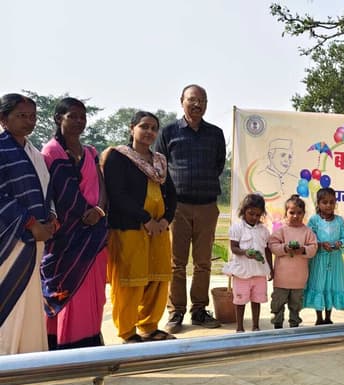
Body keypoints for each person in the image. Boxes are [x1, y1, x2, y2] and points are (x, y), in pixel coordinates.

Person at [155, 84, 226, 333]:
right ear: (181, 101)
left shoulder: (215, 134)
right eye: (192, 99)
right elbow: (160, 166)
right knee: (176, 263)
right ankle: (176, 311)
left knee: (203, 262)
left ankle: (199, 310)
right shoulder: (168, 132)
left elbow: (218, 165)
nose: (197, 104)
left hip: (207, 205)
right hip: (178, 207)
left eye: (202, 100)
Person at [103, 111, 177, 343]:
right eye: (144, 126)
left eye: (154, 128)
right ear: (132, 128)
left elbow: (171, 194)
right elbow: (117, 194)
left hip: (158, 231)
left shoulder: (159, 162)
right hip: (130, 228)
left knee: (158, 280)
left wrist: (165, 220)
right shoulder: (118, 157)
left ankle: (149, 327)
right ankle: (127, 332)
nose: (149, 132)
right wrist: (146, 219)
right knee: (130, 282)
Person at [41, 97, 108, 350]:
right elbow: (60, 194)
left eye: (83, 116)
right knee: (66, 292)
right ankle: (63, 345)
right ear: (59, 118)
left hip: (94, 237)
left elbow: (102, 187)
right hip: (65, 239)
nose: (79, 121)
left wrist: (99, 211)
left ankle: (88, 342)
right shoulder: (51, 152)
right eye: (73, 116)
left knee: (92, 294)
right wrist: (84, 214)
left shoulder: (90, 152)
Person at [0, 93, 56, 355]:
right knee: (10, 301)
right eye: (21, 116)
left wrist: (51, 217)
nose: (29, 121)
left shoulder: (34, 152)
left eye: (32, 116)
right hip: (11, 242)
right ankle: (7, 361)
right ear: (3, 119)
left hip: (35, 241)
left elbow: (46, 189)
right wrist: (30, 223)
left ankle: (30, 360)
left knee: (31, 301)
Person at [303, 187, 344, 325]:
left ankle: (328, 317)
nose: (328, 205)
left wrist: (340, 243)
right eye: (325, 202)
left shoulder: (339, 221)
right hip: (319, 259)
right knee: (319, 285)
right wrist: (320, 244)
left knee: (331, 286)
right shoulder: (314, 220)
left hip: (335, 260)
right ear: (318, 204)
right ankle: (319, 318)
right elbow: (310, 239)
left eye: (332, 202)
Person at [223, 193, 273, 332]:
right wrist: (245, 252)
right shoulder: (237, 228)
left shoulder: (264, 230)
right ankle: (239, 327)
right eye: (251, 214)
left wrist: (271, 268)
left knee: (257, 300)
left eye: (258, 215)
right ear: (244, 210)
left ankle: (255, 326)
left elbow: (267, 250)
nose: (254, 217)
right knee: (240, 301)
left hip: (259, 272)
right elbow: (234, 248)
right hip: (242, 272)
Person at [268, 195, 318, 328]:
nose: (295, 216)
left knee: (296, 305)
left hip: (299, 279)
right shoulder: (281, 231)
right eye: (292, 212)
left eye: (299, 213)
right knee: (278, 303)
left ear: (304, 214)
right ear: (286, 213)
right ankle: (277, 325)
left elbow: (313, 248)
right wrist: (285, 248)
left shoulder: (307, 232)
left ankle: (294, 325)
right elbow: (272, 245)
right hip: (281, 278)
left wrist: (302, 250)